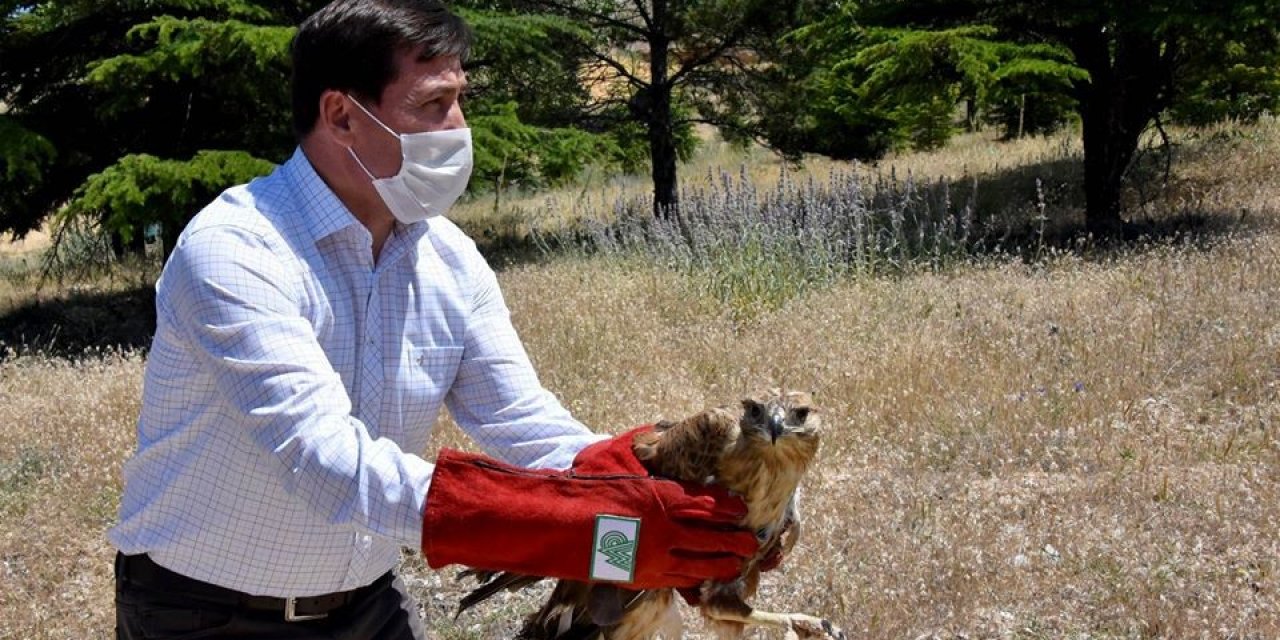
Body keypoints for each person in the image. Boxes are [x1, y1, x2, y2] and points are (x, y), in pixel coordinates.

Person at [108, 1, 758, 638]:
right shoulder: (237, 249)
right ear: (340, 115)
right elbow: (328, 463)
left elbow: (524, 423)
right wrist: (600, 532)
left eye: (458, 99)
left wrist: (661, 515)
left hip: (364, 606)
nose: (458, 127)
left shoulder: (448, 260)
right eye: (431, 105)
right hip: (203, 615)